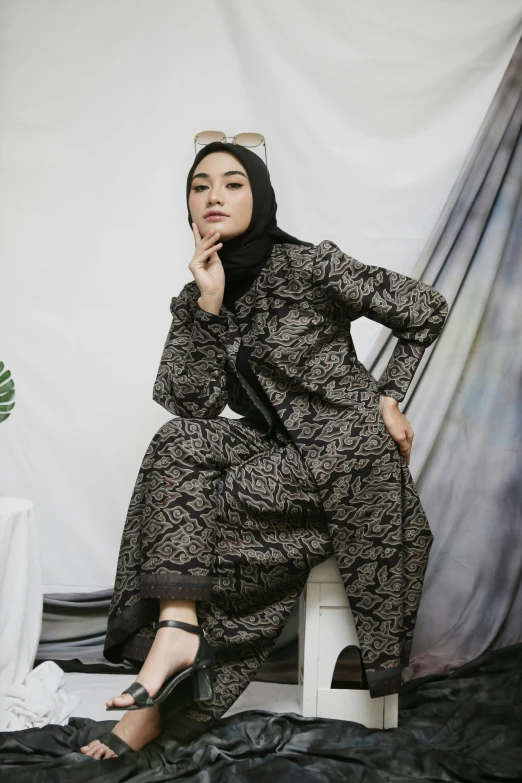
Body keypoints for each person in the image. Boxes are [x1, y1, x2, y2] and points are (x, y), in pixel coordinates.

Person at [81, 141, 448, 759]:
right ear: (189, 208)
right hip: (281, 450)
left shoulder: (310, 265)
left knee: (213, 511)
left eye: (232, 183)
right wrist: (208, 306)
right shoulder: (198, 293)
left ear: (260, 195)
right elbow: (188, 402)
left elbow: (424, 308)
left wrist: (389, 396)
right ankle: (176, 629)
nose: (215, 196)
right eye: (201, 187)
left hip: (345, 450)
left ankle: (162, 699)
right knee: (178, 443)